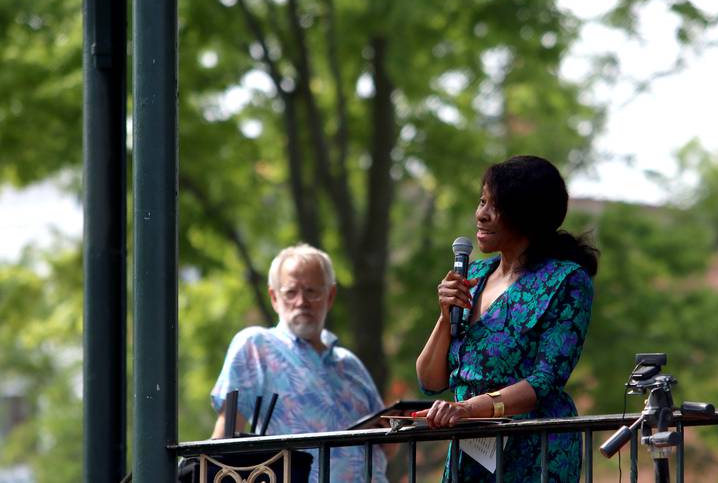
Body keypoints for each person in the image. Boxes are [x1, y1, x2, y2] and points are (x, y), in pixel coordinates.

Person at [415, 155, 598, 482]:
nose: (480, 214)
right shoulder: (475, 275)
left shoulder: (566, 281)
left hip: (536, 451)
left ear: (526, 215)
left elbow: (545, 381)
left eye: (494, 205)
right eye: (482, 200)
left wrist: (467, 409)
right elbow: (430, 382)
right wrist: (445, 318)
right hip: (471, 449)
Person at [210, 243, 388, 482]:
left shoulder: (350, 365)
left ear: (331, 295)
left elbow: (388, 446)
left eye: (312, 291)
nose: (301, 301)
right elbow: (225, 436)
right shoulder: (257, 345)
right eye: (290, 292)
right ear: (274, 297)